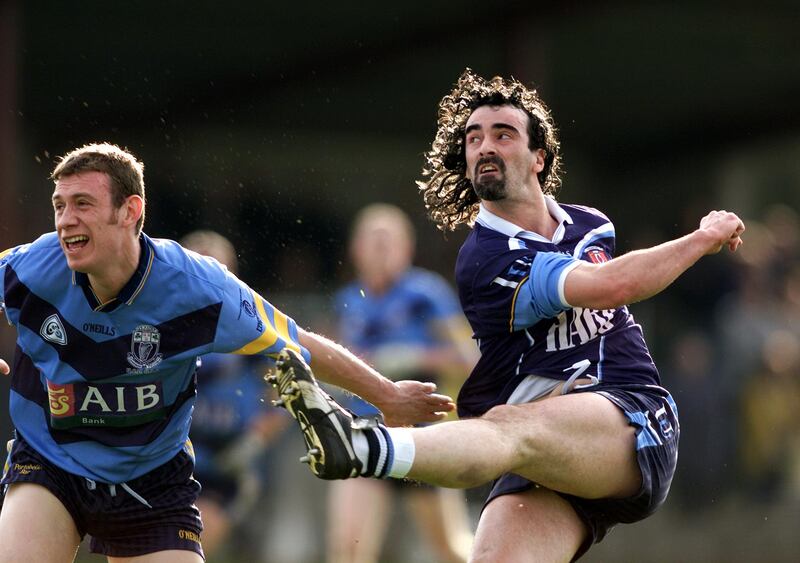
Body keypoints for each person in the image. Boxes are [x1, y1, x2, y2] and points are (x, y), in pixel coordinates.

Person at [268, 68, 746, 562]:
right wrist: (702, 237)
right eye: (474, 138)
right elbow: (612, 285)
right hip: (529, 453)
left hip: (631, 417)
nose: (484, 146)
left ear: (539, 157)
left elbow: (616, 285)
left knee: (510, 427)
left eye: (503, 134)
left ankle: (364, 447)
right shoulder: (485, 261)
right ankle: (370, 447)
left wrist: (701, 238)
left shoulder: (589, 224)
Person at [0, 142, 453, 563]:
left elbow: (298, 341)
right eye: (59, 206)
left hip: (150, 478)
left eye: (82, 204)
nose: (64, 220)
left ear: (130, 210)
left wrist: (388, 396)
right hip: (49, 460)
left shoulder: (199, 289)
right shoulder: (33, 266)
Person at [326, 203, 476, 563]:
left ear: (407, 248)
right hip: (364, 432)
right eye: (373, 240)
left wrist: (415, 355)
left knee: (452, 549)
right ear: (355, 250)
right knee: (348, 549)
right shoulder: (346, 302)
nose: (382, 249)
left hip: (420, 435)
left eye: (389, 241)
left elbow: (469, 359)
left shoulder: (426, 293)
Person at [179, 229, 290, 560]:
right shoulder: (159, 327)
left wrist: (255, 440)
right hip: (171, 462)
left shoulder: (251, 329)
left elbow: (286, 392)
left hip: (226, 467)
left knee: (189, 546)